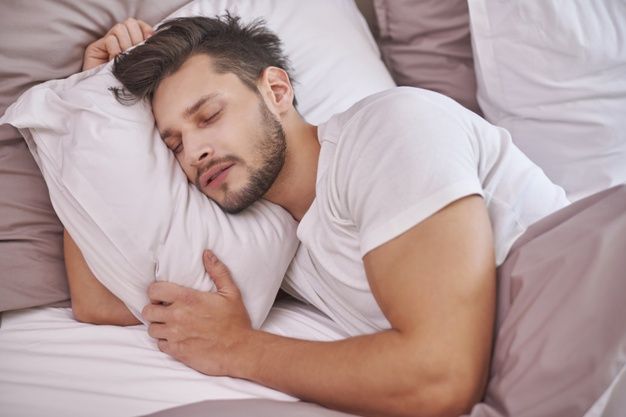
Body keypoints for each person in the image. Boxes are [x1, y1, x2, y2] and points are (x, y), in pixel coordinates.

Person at [65, 15, 570, 417]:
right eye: (173, 144)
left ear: (277, 91)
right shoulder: (266, 230)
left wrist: (238, 347)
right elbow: (99, 301)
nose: (194, 151)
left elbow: (439, 379)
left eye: (210, 116)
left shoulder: (392, 130)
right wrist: (92, 97)